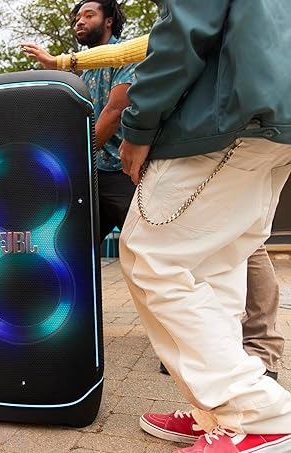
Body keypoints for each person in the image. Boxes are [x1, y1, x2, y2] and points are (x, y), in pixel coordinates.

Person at [46, 31, 285, 381]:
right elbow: (145, 45)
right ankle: (223, 367)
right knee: (230, 250)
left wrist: (139, 131)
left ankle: (248, 367)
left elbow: (173, 43)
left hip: (228, 133)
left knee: (155, 254)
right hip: (266, 128)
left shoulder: (216, 17)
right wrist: (62, 62)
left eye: (89, 14)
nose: (80, 21)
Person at [118, 0, 291, 451]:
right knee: (216, 266)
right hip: (275, 119)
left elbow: (184, 30)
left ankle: (261, 415)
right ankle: (219, 412)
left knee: (150, 258)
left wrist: (138, 126)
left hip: (227, 119)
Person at [21, 0, 137, 247]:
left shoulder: (125, 56)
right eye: (77, 19)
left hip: (124, 172)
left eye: (89, 15)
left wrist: (77, 156)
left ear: (108, 21)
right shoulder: (85, 74)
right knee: (73, 247)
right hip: (93, 173)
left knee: (143, 248)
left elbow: (115, 111)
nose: (80, 22)